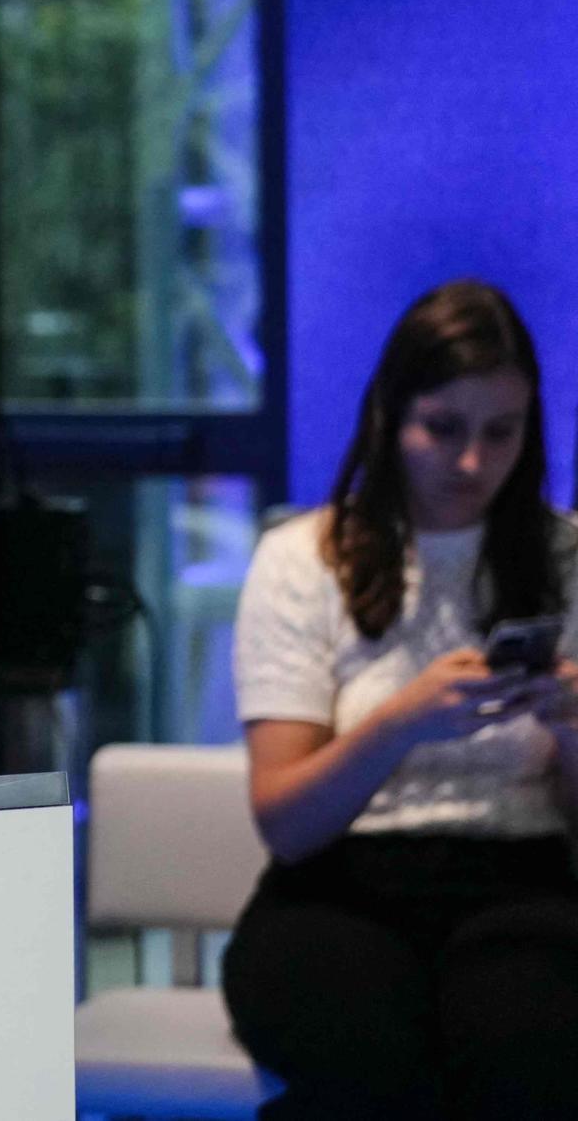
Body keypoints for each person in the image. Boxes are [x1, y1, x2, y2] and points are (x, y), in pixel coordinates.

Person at [224, 279, 578, 1120]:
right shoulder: (303, 558)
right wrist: (400, 722)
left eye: (501, 432)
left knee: (527, 1051)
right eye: (442, 428)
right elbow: (286, 818)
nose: (470, 462)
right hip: (338, 888)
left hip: (521, 883)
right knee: (370, 1062)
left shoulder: (561, 555)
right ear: (390, 418)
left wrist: (570, 726)